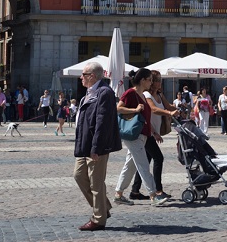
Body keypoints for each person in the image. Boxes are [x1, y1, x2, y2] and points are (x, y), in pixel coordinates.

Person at [74, 61, 122, 231]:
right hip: (84, 144)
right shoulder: (88, 93)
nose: (81, 77)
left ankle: (98, 219)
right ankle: (103, 207)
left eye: (84, 75)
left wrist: (97, 147)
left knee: (96, 182)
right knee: (79, 175)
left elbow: (103, 122)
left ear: (92, 76)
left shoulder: (104, 93)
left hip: (96, 145)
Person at [113, 69, 169, 206]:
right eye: (150, 79)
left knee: (130, 166)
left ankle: (118, 194)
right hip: (133, 135)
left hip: (143, 134)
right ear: (143, 80)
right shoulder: (130, 93)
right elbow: (118, 108)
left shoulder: (143, 95)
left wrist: (153, 132)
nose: (151, 82)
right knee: (143, 164)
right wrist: (134, 110)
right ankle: (153, 195)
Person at [130, 70, 178, 201]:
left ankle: (135, 191)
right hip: (147, 131)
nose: (159, 83)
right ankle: (158, 190)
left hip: (152, 131)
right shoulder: (146, 94)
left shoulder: (159, 94)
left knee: (145, 161)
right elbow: (153, 110)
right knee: (158, 158)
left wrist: (179, 110)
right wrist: (168, 114)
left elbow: (168, 106)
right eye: (157, 80)